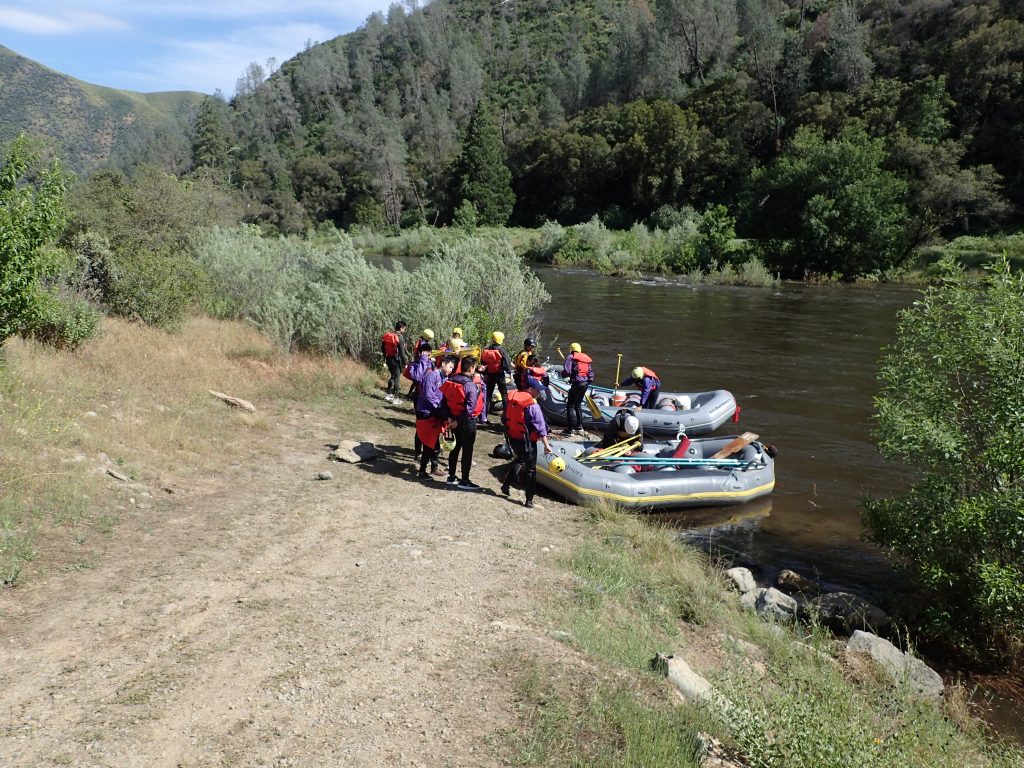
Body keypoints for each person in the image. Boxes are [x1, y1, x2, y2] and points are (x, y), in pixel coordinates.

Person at [501, 372, 553, 509]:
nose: (539, 393)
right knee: (531, 470)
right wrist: (547, 445)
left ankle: (506, 486)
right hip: (528, 443)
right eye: (537, 390)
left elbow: (504, 419)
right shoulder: (532, 406)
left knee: (519, 460)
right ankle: (529, 501)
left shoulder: (511, 400)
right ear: (530, 389)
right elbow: (541, 428)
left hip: (513, 438)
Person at [440, 355, 483, 490]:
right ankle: (465, 480)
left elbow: (444, 401)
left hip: (453, 419)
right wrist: (458, 421)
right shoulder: (469, 385)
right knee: (467, 451)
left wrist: (450, 418)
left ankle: (451, 476)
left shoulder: (451, 379)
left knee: (455, 449)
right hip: (466, 422)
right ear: (471, 368)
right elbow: (470, 407)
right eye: (474, 368)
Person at [415, 354, 457, 478]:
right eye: (450, 366)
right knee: (429, 442)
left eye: (453, 368)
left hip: (437, 412)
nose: (451, 370)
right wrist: (441, 410)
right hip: (427, 412)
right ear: (443, 364)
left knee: (437, 441)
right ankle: (422, 470)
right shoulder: (432, 375)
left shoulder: (445, 378)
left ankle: (434, 467)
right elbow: (429, 395)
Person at [406, 344, 436, 459]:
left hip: (431, 399)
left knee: (431, 426)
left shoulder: (432, 364)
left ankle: (428, 451)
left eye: (428, 353)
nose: (427, 355)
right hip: (419, 399)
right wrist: (423, 360)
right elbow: (417, 377)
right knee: (421, 426)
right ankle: (418, 453)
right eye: (425, 353)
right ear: (420, 353)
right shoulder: (414, 365)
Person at [561, 342, 594, 436]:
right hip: (585, 384)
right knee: (578, 405)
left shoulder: (570, 357)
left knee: (570, 406)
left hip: (577, 384)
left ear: (571, 349)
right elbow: (591, 375)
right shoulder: (584, 358)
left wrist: (565, 375)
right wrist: (586, 383)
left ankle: (570, 430)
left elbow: (567, 371)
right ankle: (580, 427)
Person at [480, 331, 513, 423]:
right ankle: (506, 417)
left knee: (488, 395)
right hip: (499, 374)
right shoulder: (502, 350)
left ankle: (484, 416)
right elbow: (506, 364)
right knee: (504, 395)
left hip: (489, 374)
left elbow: (483, 361)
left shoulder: (486, 349)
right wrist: (509, 372)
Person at [381, 320, 408, 403]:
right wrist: (405, 363)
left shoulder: (388, 335)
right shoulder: (400, 337)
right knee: (397, 378)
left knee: (392, 376)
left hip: (389, 359)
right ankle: (396, 398)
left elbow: (383, 348)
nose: (405, 330)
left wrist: (385, 358)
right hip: (396, 360)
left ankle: (389, 394)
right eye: (404, 328)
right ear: (401, 328)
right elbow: (402, 354)